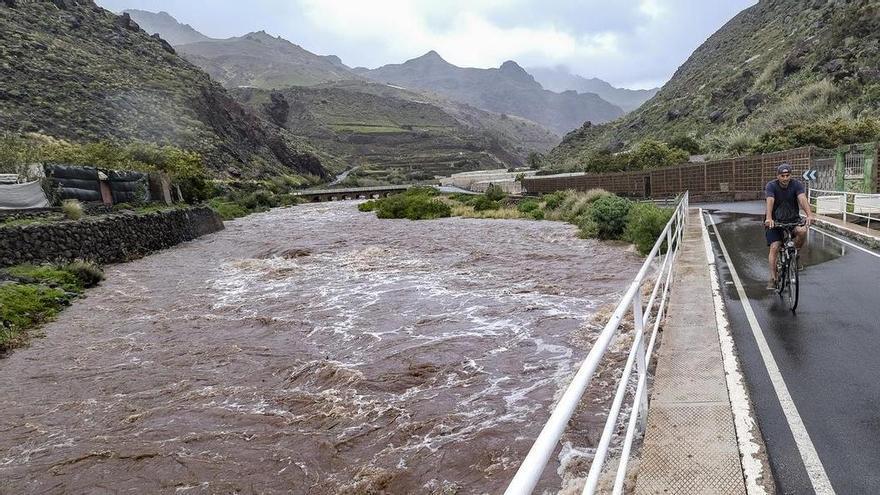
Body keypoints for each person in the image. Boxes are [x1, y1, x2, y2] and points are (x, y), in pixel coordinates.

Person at [764, 163, 814, 289]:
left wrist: (809, 215)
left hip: (792, 220)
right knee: (775, 246)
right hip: (775, 222)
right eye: (782, 175)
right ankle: (773, 277)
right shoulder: (771, 186)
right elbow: (770, 201)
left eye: (787, 175)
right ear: (778, 176)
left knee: (802, 231)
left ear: (790, 175)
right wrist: (769, 218)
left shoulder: (796, 184)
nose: (785, 178)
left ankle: (794, 256)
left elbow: (802, 199)